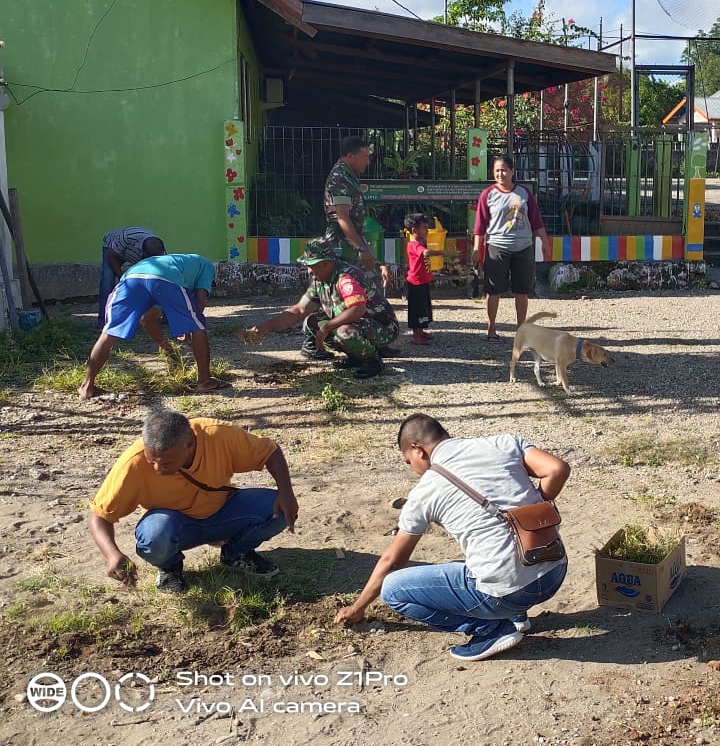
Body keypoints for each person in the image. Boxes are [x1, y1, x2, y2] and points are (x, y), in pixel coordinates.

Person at [334, 413, 570, 662]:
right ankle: (515, 615)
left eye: (408, 461)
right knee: (470, 563)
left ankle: (489, 630)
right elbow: (558, 469)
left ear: (418, 450)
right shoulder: (503, 443)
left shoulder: (425, 491)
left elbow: (393, 562)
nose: (413, 470)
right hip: (553, 569)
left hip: (510, 591)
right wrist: (531, 512)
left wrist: (357, 607)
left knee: (393, 590)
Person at [87, 408, 298, 593]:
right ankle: (170, 569)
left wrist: (286, 492)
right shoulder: (132, 463)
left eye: (167, 462)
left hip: (223, 514)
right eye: (152, 462)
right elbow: (99, 515)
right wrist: (112, 554)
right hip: (175, 527)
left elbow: (270, 451)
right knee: (154, 536)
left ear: (189, 444)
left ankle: (236, 554)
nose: (158, 470)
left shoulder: (217, 435)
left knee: (276, 509)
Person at [244, 238, 399, 379]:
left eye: (311, 266)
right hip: (358, 324)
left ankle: (373, 361)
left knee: (343, 332)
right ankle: (356, 355)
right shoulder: (321, 280)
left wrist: (326, 328)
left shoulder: (346, 278)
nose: (309, 271)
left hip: (382, 327)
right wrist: (265, 327)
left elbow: (357, 309)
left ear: (326, 263)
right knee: (312, 321)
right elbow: (299, 310)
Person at [79, 253, 227, 398]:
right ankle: (204, 381)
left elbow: (148, 319)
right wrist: (190, 325)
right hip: (165, 279)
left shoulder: (177, 263)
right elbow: (200, 302)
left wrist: (165, 345)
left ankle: (87, 385)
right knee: (198, 325)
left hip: (130, 280)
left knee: (109, 332)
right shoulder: (207, 266)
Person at [472, 156, 550, 342]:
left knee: (522, 291)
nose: (500, 173)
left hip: (523, 247)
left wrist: (544, 242)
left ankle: (521, 329)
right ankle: (491, 328)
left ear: (513, 172)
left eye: (504, 169)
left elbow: (536, 220)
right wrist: (476, 248)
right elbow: (479, 225)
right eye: (497, 170)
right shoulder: (488, 194)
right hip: (497, 247)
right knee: (493, 290)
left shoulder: (524, 193)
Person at [322, 135, 393, 284]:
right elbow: (342, 218)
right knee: (358, 291)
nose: (367, 161)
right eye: (364, 157)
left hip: (352, 243)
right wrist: (361, 247)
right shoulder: (340, 178)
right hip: (341, 246)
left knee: (370, 289)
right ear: (350, 156)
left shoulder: (349, 176)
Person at [98, 228, 165, 329]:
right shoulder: (126, 238)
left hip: (132, 251)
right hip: (112, 248)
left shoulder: (161, 253)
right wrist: (122, 277)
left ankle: (165, 318)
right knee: (107, 281)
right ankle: (104, 322)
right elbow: (111, 256)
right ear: (144, 254)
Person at [404, 213, 434, 345]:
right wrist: (440, 252)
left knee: (424, 308)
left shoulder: (421, 242)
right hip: (416, 282)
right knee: (418, 309)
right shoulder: (414, 244)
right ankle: (416, 335)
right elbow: (425, 253)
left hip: (423, 281)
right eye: (424, 227)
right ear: (414, 230)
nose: (427, 230)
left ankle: (421, 331)